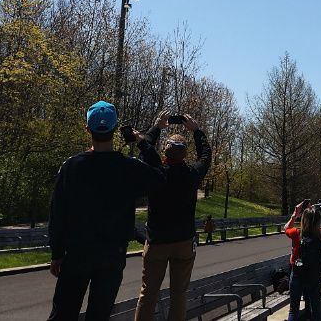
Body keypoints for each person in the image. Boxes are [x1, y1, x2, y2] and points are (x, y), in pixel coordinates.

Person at [48, 101, 165, 321]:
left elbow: (57, 214)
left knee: (63, 314)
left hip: (77, 252)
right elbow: (160, 178)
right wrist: (142, 142)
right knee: (99, 315)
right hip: (112, 253)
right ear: (115, 130)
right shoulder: (129, 167)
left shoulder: (72, 166)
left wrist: (57, 253)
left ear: (87, 129)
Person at [133, 111, 212, 321]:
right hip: (184, 242)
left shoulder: (156, 171)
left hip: (157, 241)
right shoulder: (193, 175)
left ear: (165, 153)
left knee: (148, 294)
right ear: (185, 154)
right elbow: (206, 155)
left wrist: (157, 127)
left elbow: (146, 146)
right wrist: (197, 131)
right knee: (179, 294)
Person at [285, 202, 321, 321]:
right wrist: (314, 211)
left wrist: (295, 215)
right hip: (314, 275)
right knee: (316, 309)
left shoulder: (296, 233)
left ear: (303, 220)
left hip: (298, 274)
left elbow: (286, 228)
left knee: (294, 310)